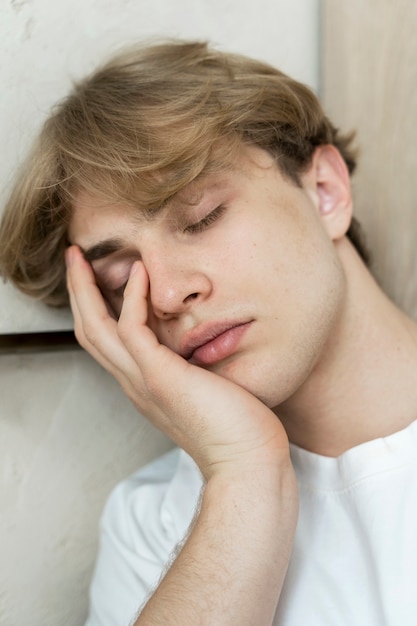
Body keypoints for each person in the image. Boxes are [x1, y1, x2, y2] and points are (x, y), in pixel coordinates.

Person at [1, 39, 417, 626]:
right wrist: (245, 476)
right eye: (122, 278)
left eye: (201, 218)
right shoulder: (153, 528)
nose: (168, 296)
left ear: (325, 192)